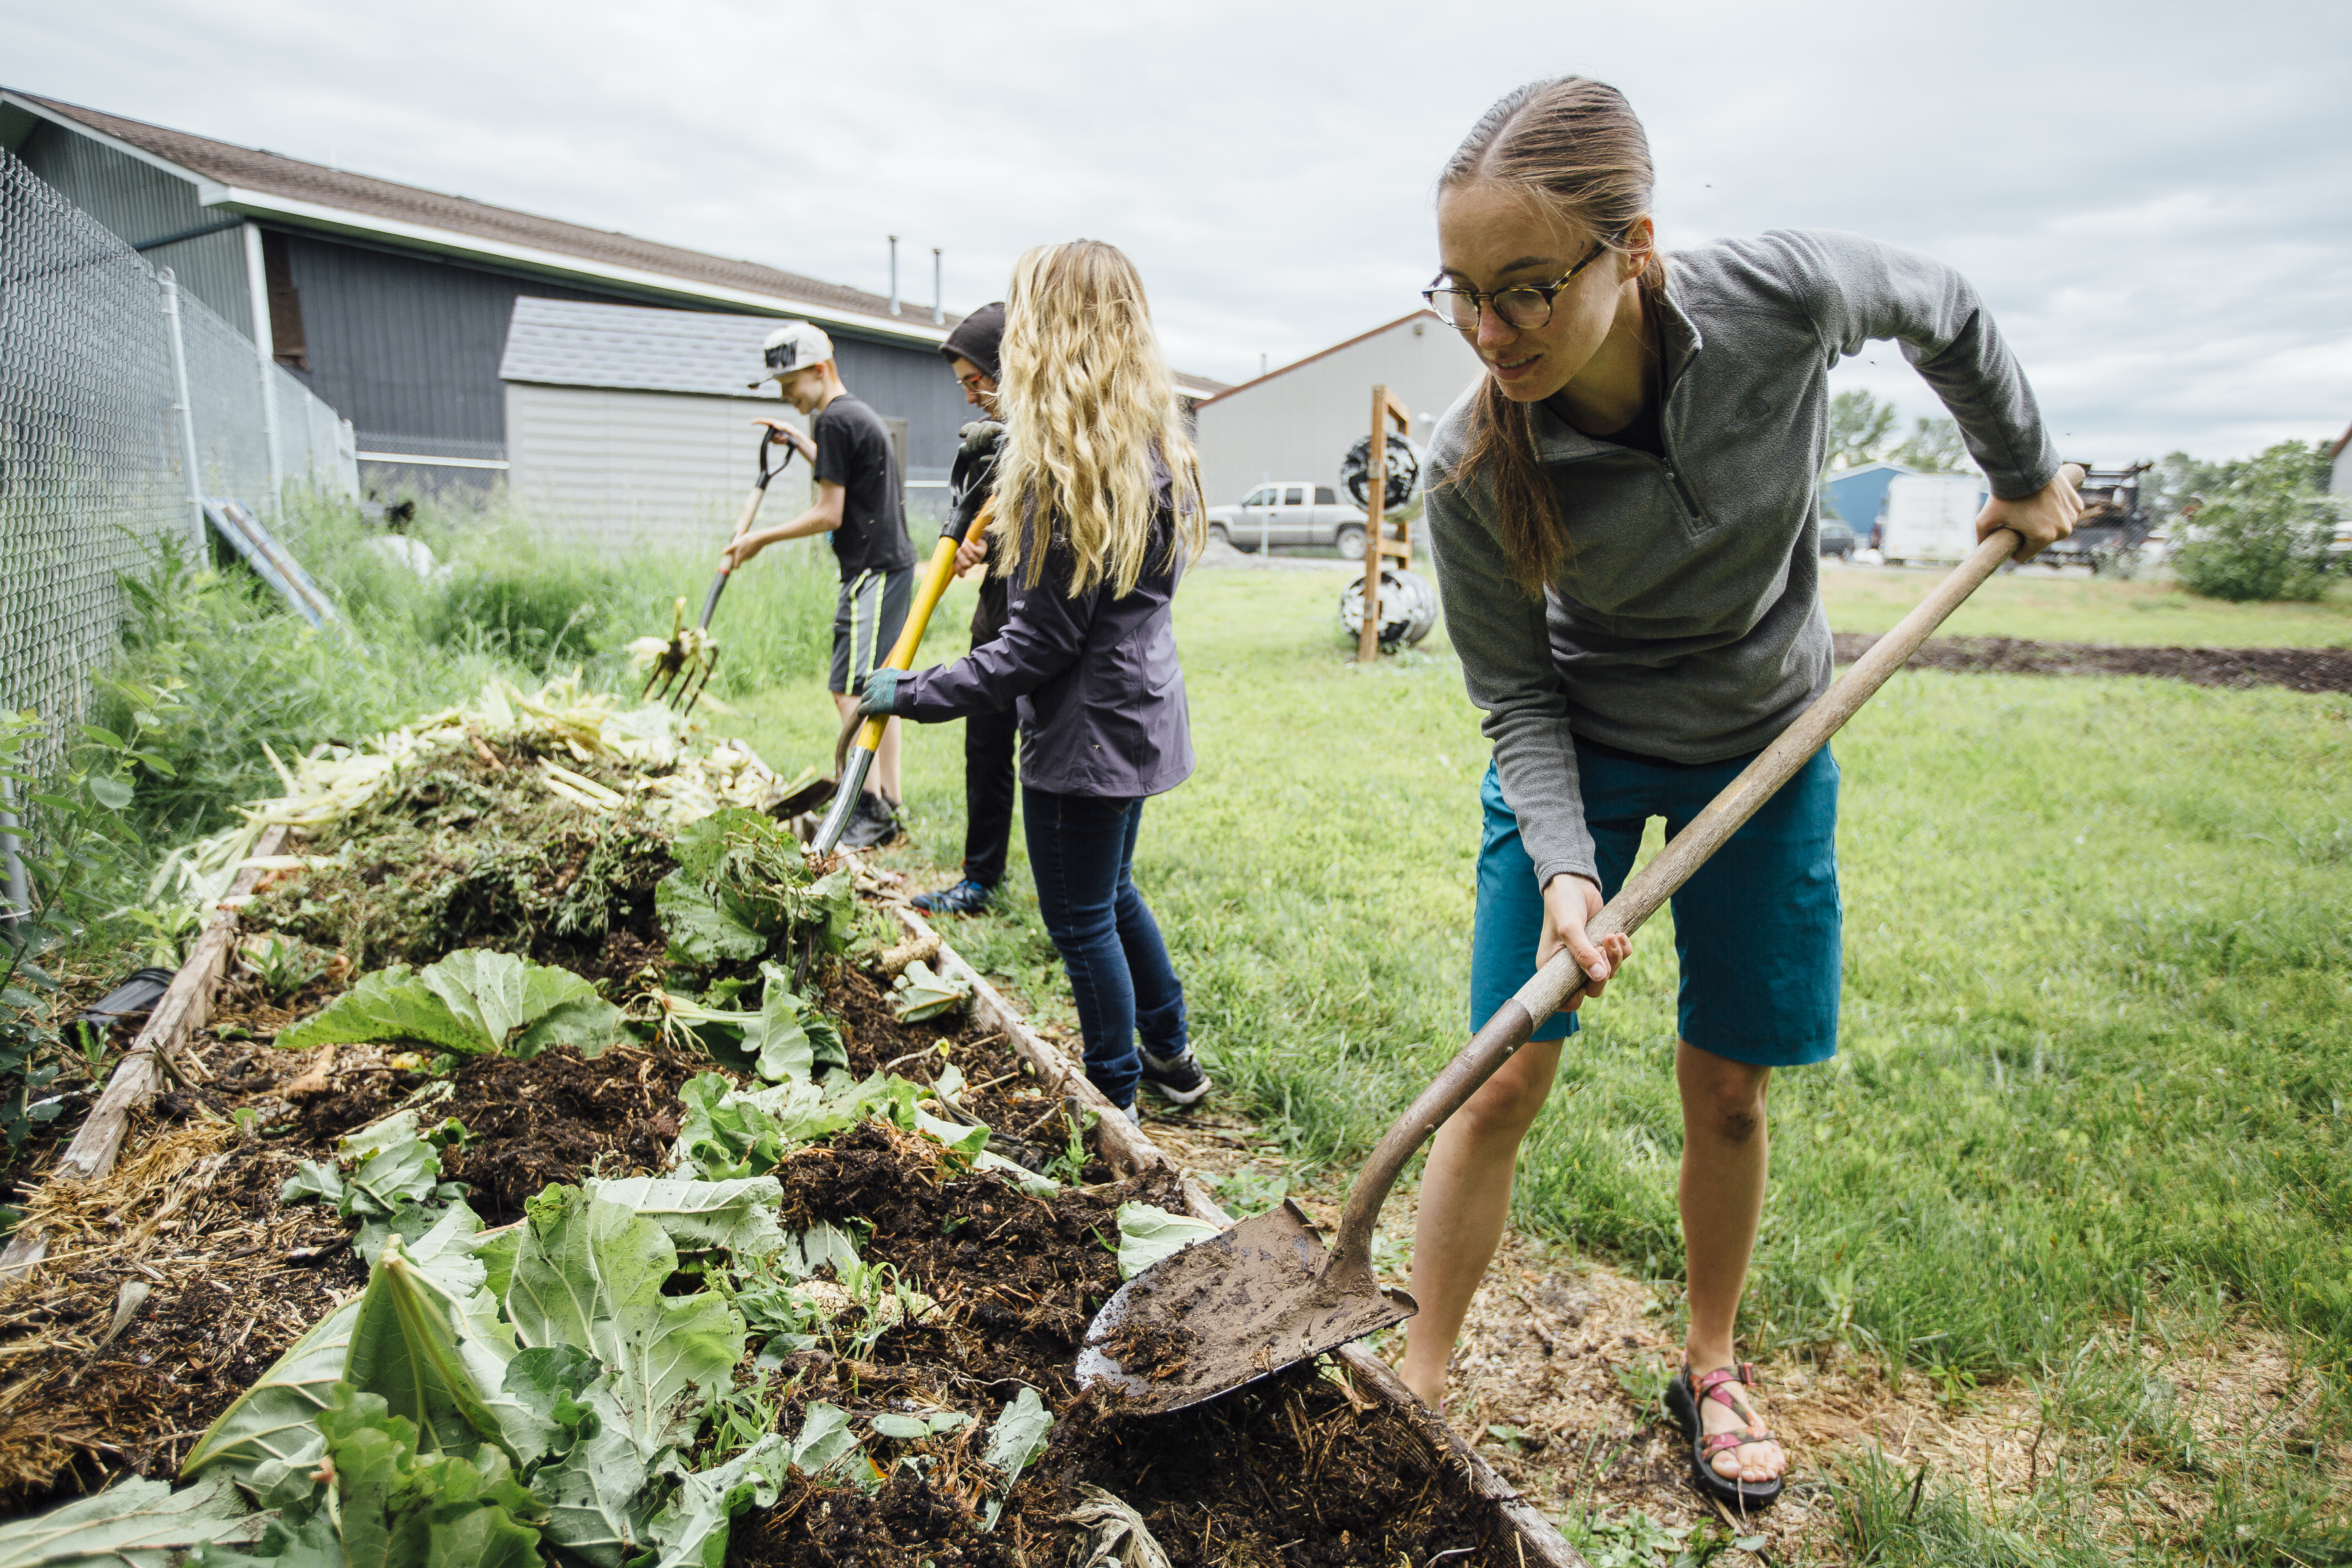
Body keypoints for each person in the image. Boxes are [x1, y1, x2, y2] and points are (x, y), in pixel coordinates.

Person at [1402, 78, 2079, 1510]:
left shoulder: (1774, 297)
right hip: (1577, 749)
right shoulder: (1468, 466)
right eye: (1464, 291)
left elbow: (1945, 305)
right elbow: (1517, 697)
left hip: (1765, 741)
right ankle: (1419, 1382)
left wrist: (2018, 470)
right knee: (1500, 1076)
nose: (1491, 329)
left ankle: (1709, 1360)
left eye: (1526, 289)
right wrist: (1569, 869)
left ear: (1633, 248)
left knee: (1725, 1093)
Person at [856, 241, 1215, 1117]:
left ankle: (1112, 1099)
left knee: (1082, 920)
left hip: (1084, 734)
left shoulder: (1063, 477)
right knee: (1114, 892)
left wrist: (910, 692)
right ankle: (1172, 1059)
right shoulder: (1144, 448)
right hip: (1136, 712)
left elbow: (1032, 650)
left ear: (1049, 336)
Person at [723, 319, 917, 850]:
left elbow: (830, 513)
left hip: (870, 571)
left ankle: (869, 808)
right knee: (879, 686)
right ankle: (888, 802)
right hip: (890, 565)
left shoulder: (832, 420)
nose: (787, 397)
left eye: (791, 385)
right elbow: (847, 478)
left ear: (819, 369)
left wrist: (759, 539)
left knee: (849, 689)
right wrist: (802, 447)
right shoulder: (849, 416)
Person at [913, 302, 1017, 918]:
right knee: (986, 749)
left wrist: (991, 531)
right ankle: (980, 878)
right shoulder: (996, 443)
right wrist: (978, 544)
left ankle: (1082, 889)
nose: (970, 396)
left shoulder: (1050, 438)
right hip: (996, 620)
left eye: (975, 381)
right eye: (963, 386)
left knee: (1049, 765)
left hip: (1043, 635)